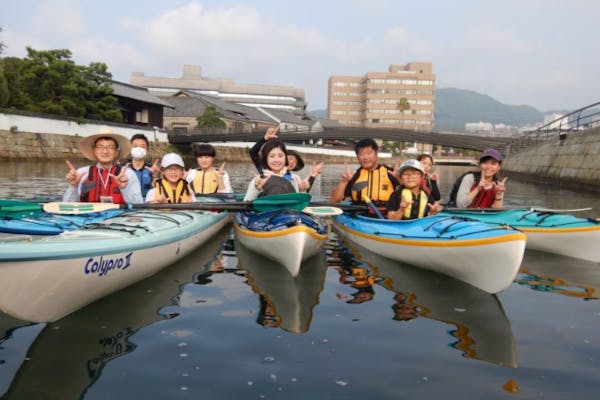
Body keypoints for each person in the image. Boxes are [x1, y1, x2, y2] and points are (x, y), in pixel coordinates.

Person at [64, 126, 142, 204]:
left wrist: (124, 188)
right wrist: (73, 186)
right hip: (88, 215)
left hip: (119, 215)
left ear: (116, 152)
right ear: (94, 150)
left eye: (110, 147)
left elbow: (138, 205)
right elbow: (67, 205)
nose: (105, 151)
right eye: (100, 147)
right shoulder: (81, 173)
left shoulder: (128, 174)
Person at [329, 138, 399, 210]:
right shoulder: (354, 176)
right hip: (360, 217)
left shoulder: (391, 173)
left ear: (376, 154)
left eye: (369, 153)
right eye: (361, 154)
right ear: (357, 157)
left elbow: (408, 194)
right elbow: (334, 201)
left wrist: (400, 180)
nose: (365, 157)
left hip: (385, 217)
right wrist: (344, 181)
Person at [250, 126, 323, 193]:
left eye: (294, 162)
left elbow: (304, 189)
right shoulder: (264, 171)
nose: (291, 162)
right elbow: (253, 153)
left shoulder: (294, 178)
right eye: (290, 158)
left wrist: (313, 174)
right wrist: (265, 139)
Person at [129, 133, 160, 198]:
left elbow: (158, 190)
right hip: (128, 205)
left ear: (147, 150)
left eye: (142, 147)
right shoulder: (124, 169)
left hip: (147, 205)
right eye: (135, 146)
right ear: (130, 148)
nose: (138, 149)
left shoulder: (152, 168)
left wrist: (156, 175)